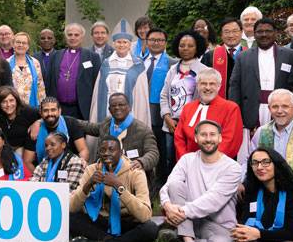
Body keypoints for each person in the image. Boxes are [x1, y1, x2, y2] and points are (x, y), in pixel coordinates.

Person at [159, 120, 241, 242]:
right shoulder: (187, 160)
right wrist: (167, 205)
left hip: (218, 225)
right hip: (190, 219)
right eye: (203, 135)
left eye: (212, 135)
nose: (208, 139)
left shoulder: (233, 168)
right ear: (196, 138)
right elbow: (167, 186)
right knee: (175, 185)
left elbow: (214, 200)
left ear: (220, 138)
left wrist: (179, 212)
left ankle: (180, 238)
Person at [67, 136, 155, 242]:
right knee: (68, 216)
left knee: (150, 229)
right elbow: (72, 207)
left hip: (128, 222)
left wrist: (119, 187)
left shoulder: (135, 172)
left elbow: (145, 215)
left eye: (111, 150)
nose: (106, 154)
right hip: (101, 222)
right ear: (98, 153)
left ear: (120, 152)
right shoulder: (92, 170)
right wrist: (88, 185)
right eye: (102, 150)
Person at [229, 18, 293, 147]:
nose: (264, 35)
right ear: (254, 34)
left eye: (268, 31)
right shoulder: (242, 56)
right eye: (259, 32)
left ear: (275, 33)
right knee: (252, 148)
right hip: (251, 109)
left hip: (280, 108)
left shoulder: (291, 55)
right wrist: (235, 111)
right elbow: (234, 85)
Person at [89, 19, 151, 130]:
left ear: (129, 44)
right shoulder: (106, 64)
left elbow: (141, 98)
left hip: (130, 111)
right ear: (114, 43)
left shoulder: (137, 65)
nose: (121, 45)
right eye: (118, 42)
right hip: (107, 111)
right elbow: (97, 94)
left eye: (125, 42)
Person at [161, 30, 208, 168]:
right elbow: (164, 96)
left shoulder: (204, 71)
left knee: (192, 159)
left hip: (194, 122)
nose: (185, 49)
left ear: (197, 48)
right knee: (171, 160)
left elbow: (206, 98)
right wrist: (167, 117)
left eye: (190, 45)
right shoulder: (172, 70)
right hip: (172, 124)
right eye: (182, 45)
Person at [172, 68, 243, 160]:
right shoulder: (188, 108)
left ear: (219, 86)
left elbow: (230, 141)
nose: (208, 87)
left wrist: (208, 161)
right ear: (197, 86)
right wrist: (186, 161)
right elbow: (179, 138)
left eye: (212, 84)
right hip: (189, 163)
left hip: (217, 165)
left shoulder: (231, 108)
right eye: (203, 84)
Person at [80, 93, 157, 175]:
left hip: (131, 173)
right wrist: (67, 120)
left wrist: (141, 162)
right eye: (113, 105)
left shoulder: (142, 130)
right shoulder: (106, 123)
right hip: (105, 172)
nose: (117, 108)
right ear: (109, 109)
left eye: (121, 105)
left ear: (128, 107)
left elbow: (153, 153)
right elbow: (90, 127)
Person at [45, 23, 101, 120]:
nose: (72, 38)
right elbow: (48, 82)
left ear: (82, 38)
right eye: (70, 35)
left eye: (76, 35)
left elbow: (97, 84)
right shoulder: (55, 56)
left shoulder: (92, 57)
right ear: (66, 37)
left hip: (81, 109)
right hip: (58, 108)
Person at [0, 86, 41, 170]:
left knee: (17, 157)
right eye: (4, 102)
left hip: (23, 147)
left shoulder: (28, 111)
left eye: (11, 100)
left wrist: (38, 122)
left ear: (17, 101)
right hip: (4, 148)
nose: (8, 105)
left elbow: (45, 116)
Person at [144, 27, 171, 187]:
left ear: (165, 43)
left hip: (159, 113)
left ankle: (160, 184)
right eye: (152, 39)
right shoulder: (138, 61)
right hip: (140, 109)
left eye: (160, 40)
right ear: (146, 42)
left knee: (160, 150)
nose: (156, 43)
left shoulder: (172, 62)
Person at [29, 96, 90, 164]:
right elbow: (27, 161)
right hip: (43, 169)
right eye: (46, 110)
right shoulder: (35, 129)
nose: (50, 114)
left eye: (53, 110)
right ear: (40, 112)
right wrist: (38, 174)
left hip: (70, 166)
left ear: (59, 111)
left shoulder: (71, 123)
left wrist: (81, 163)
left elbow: (83, 150)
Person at [200, 18, 247, 100]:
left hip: (245, 106)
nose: (231, 35)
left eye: (235, 31)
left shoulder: (251, 55)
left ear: (241, 33)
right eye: (227, 32)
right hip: (216, 105)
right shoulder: (210, 56)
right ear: (221, 34)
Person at [9, 31, 46, 108]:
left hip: (31, 107)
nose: (21, 45)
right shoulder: (6, 63)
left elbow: (40, 87)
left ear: (28, 46)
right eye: (18, 42)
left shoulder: (35, 63)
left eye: (24, 43)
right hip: (11, 106)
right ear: (12, 44)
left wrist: (43, 106)